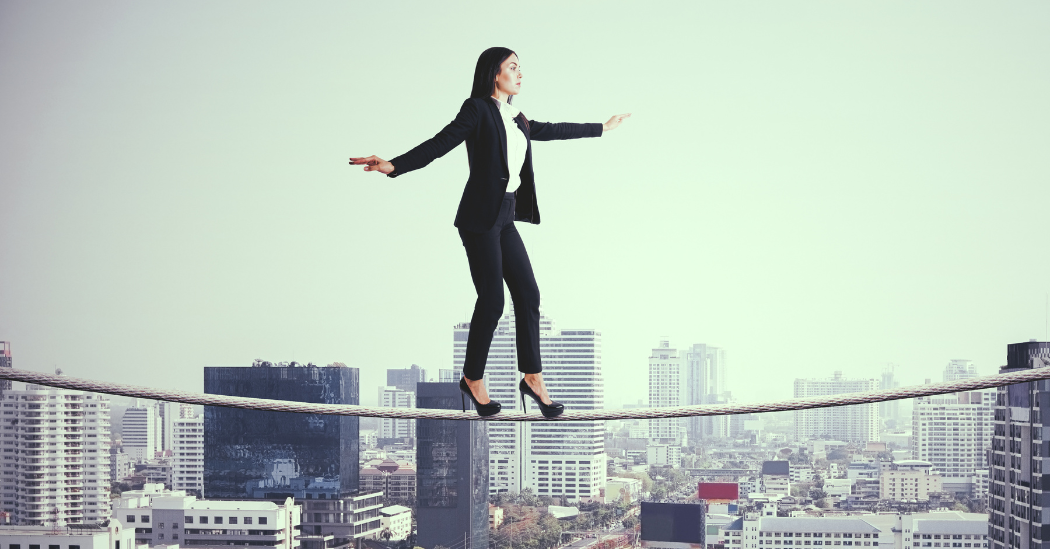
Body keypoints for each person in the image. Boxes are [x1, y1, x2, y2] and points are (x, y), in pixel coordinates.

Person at [350, 47, 629, 418]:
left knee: (529, 294)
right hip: (480, 219)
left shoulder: (518, 118)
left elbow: (553, 130)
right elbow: (441, 143)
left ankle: (532, 378)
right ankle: (472, 379)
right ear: (494, 73)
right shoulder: (477, 109)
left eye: (520, 68)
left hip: (506, 217)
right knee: (493, 301)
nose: (520, 74)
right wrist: (394, 165)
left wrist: (602, 128)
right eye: (513, 67)